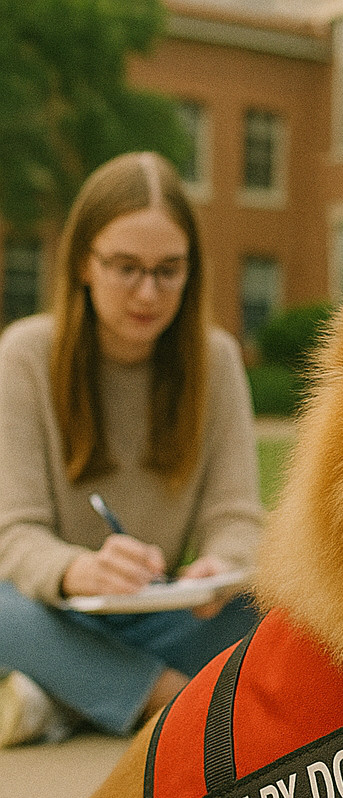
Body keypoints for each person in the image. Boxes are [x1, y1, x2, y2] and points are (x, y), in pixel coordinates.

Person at [0, 151, 264, 747]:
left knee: (283, 614)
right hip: (49, 612)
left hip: (163, 618)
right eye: (126, 268)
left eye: (169, 270)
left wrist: (220, 567)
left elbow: (237, 517)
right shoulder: (25, 355)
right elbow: (14, 535)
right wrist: (76, 569)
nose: (148, 292)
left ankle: (65, 695)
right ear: (84, 265)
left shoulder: (214, 358)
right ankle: (168, 700)